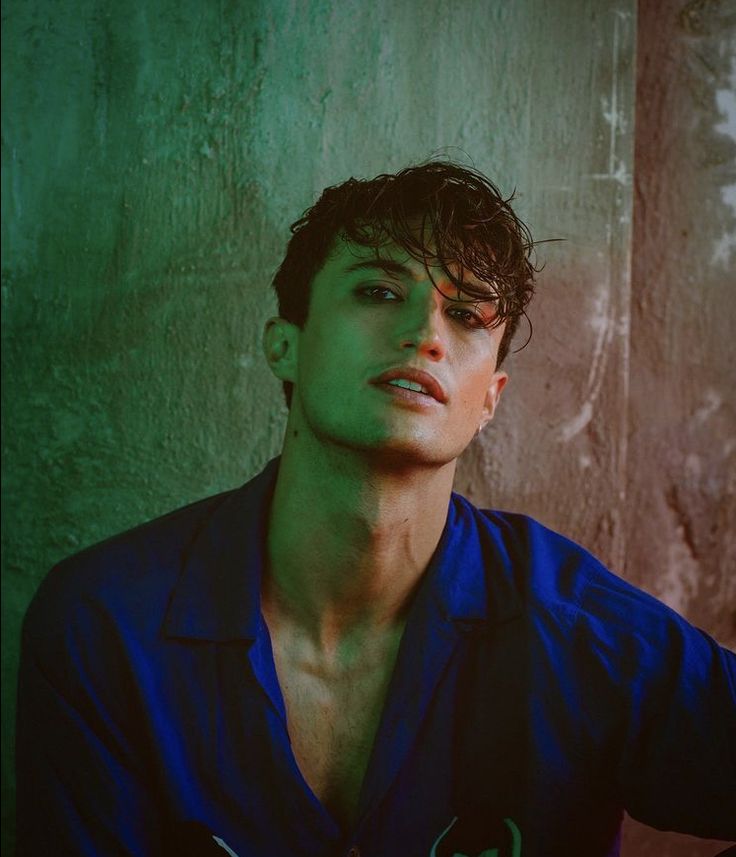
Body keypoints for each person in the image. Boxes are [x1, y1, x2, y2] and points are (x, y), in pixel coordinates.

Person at [16, 161, 735, 857]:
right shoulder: (105, 625)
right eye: (379, 291)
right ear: (284, 345)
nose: (425, 332)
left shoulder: (580, 635)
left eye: (464, 312)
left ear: (491, 396)